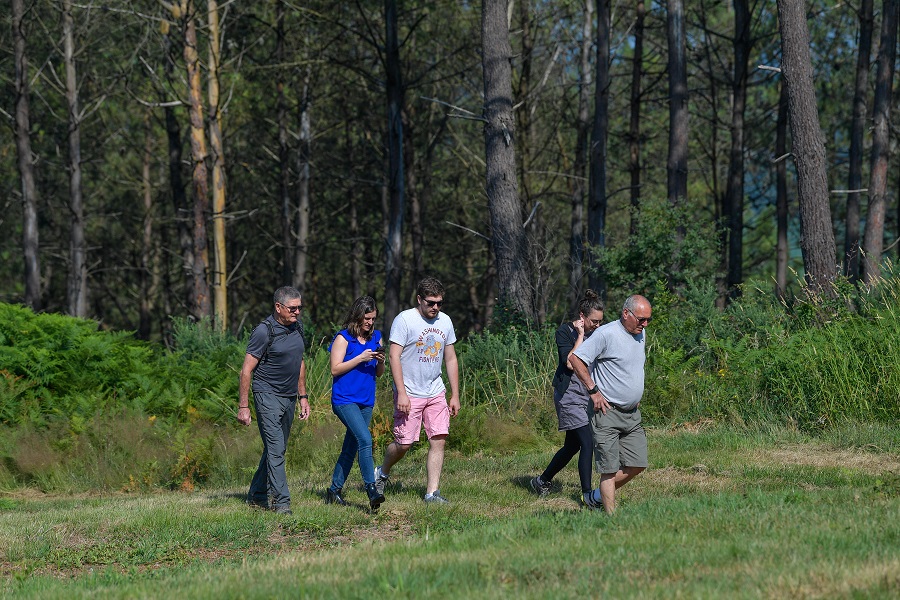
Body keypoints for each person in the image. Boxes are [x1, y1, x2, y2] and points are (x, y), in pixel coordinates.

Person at [373, 277, 460, 504]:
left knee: (438, 439)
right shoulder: (405, 320)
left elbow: (450, 358)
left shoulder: (445, 322)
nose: (435, 308)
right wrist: (401, 392)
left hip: (435, 391)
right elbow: (394, 356)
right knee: (404, 443)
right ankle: (381, 472)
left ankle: (432, 493)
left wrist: (455, 394)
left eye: (439, 303)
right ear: (419, 299)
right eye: (431, 303)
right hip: (409, 392)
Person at [571, 294, 652, 513]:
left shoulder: (640, 333)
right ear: (626, 313)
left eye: (648, 320)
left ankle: (595, 497)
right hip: (606, 412)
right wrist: (593, 391)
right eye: (641, 319)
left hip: (631, 414)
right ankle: (611, 520)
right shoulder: (605, 334)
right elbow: (576, 359)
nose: (645, 324)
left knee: (637, 464)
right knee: (608, 468)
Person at [237, 286, 310, 515]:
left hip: (289, 396)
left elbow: (299, 362)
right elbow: (246, 370)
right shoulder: (263, 331)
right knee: (276, 450)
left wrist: (303, 396)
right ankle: (281, 503)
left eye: (300, 307)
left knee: (275, 449)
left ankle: (257, 495)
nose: (297, 312)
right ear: (278, 307)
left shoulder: (297, 327)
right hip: (266, 394)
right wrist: (244, 406)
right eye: (293, 308)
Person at [530, 290, 605, 507]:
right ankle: (587, 495)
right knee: (587, 441)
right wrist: (581, 335)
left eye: (601, 322)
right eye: (594, 321)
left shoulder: (599, 334)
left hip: (588, 396)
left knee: (572, 446)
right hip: (569, 397)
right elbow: (571, 363)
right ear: (582, 317)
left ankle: (542, 480)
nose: (598, 326)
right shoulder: (564, 332)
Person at [325, 296, 387, 511]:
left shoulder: (376, 338)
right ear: (357, 316)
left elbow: (379, 374)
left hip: (366, 400)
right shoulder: (344, 338)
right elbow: (335, 369)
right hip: (344, 400)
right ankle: (371, 489)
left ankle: (334, 490)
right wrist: (360, 358)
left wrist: (381, 362)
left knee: (351, 447)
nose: (370, 323)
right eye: (366, 318)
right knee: (365, 439)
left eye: (373, 319)